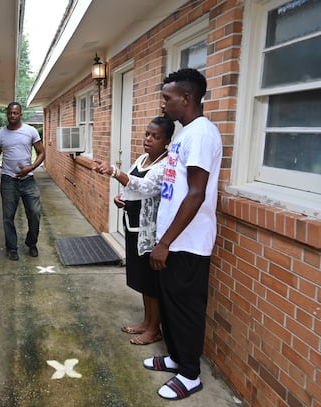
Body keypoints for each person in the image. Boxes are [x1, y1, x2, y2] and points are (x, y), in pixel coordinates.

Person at [142, 68, 222, 401]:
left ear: (186, 98)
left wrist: (164, 242)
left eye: (167, 97)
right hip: (175, 241)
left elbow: (196, 194)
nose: (164, 104)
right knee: (172, 305)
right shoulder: (185, 134)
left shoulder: (202, 134)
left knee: (186, 309)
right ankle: (175, 357)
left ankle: (190, 375)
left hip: (187, 244)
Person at [93, 116, 174, 346]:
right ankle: (146, 322)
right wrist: (122, 199)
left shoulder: (165, 165)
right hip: (132, 224)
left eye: (155, 136)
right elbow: (131, 187)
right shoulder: (142, 159)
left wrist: (114, 171)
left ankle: (154, 329)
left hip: (149, 231)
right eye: (147, 134)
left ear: (167, 141)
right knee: (141, 278)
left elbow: (145, 187)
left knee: (152, 280)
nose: (149, 139)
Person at [0, 102, 45, 261]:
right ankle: (12, 248)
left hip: (28, 180)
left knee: (35, 213)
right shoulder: (0, 135)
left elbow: (42, 153)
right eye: (10, 113)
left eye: (15, 113)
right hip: (8, 180)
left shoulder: (30, 131)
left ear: (21, 114)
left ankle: (32, 243)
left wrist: (30, 168)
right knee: (8, 216)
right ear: (7, 114)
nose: (12, 116)